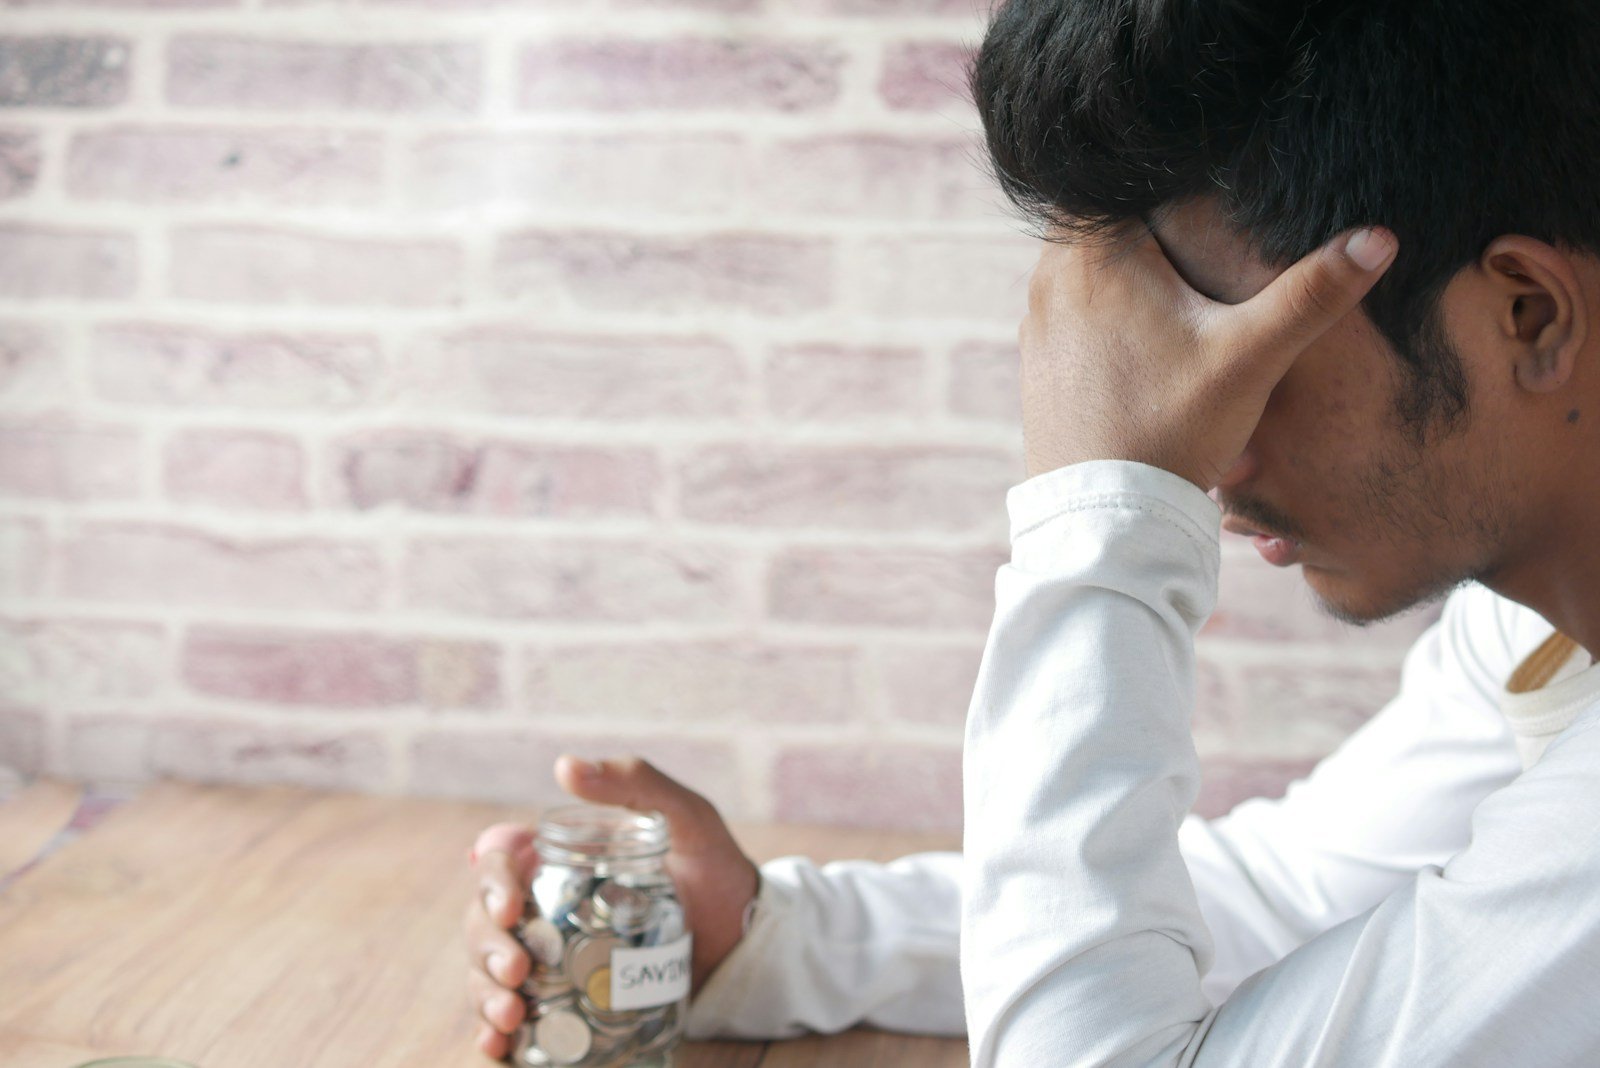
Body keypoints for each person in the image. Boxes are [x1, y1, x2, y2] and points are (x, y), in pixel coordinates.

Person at [466, 1, 1600, 1062]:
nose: (1210, 461)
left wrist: (1108, 501)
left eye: (1248, 363)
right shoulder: (1531, 633)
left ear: (1528, 315)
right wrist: (781, 935)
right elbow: (1295, 891)